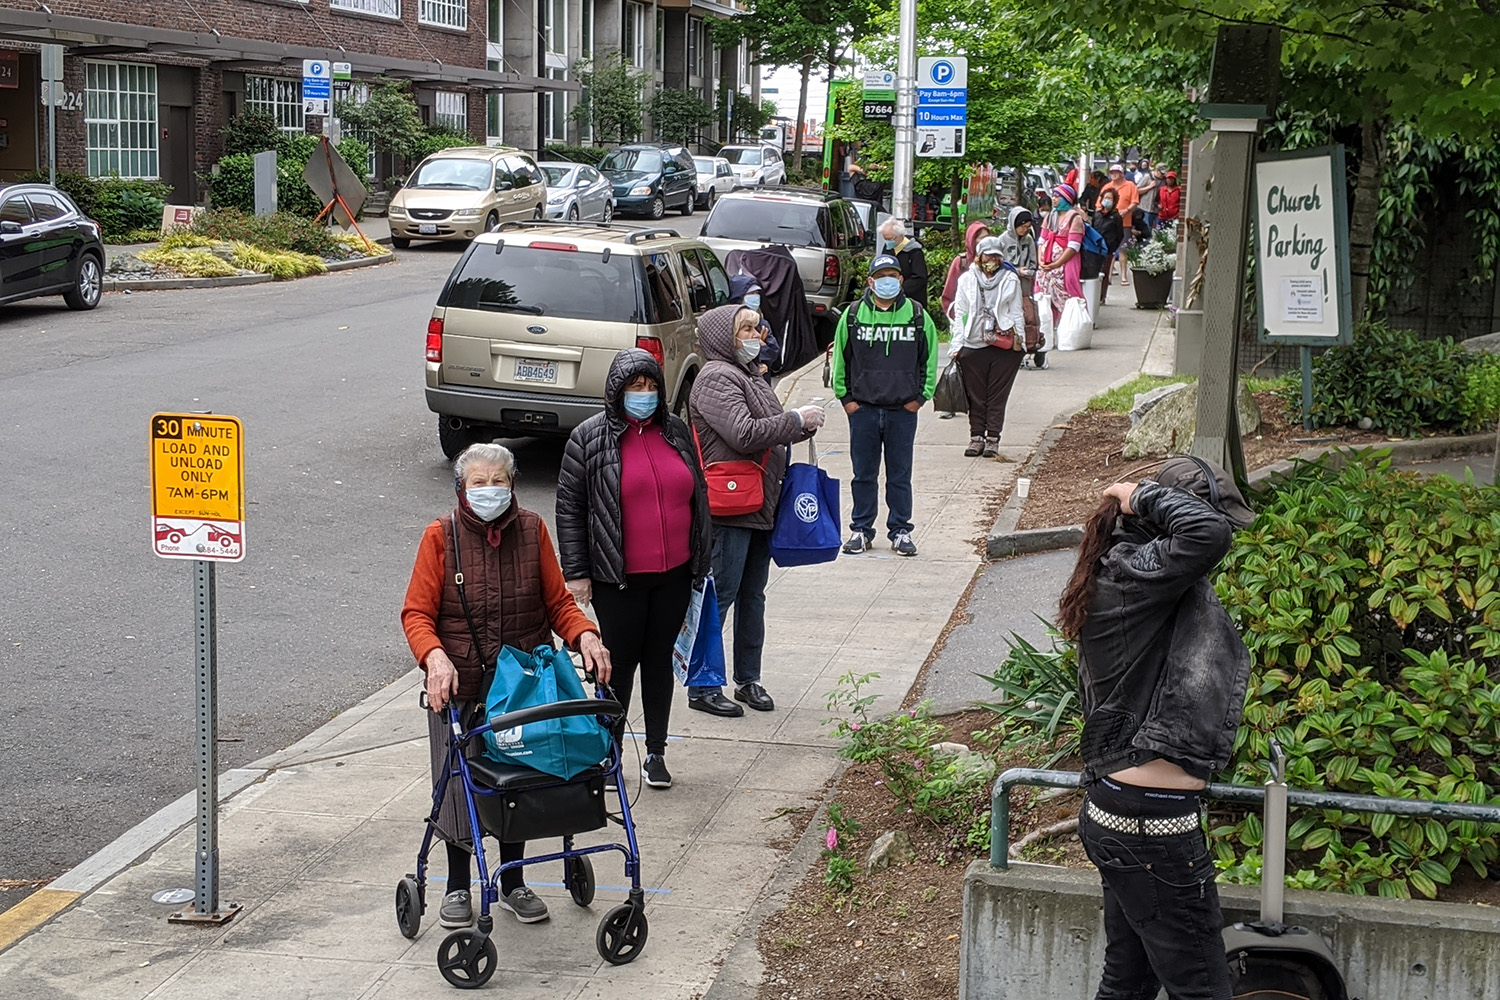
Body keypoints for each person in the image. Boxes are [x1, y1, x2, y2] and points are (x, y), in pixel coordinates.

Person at [1058, 457, 1255, 1000]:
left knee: (1127, 985)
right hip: (1151, 828)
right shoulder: (1136, 573)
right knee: (1204, 991)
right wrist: (1139, 492)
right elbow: (1208, 532)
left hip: (1122, 811)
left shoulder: (1122, 571)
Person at [402, 443, 612, 928]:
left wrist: (586, 636)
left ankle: (513, 881)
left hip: (520, 690)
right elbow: (416, 613)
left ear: (512, 485)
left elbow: (558, 602)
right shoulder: (441, 536)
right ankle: (457, 887)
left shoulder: (533, 530)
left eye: (499, 480)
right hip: (463, 691)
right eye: (479, 482)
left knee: (519, 784)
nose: (490, 490)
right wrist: (434, 657)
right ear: (461, 489)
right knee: (459, 788)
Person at [556, 349, 712, 790]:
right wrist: (577, 571)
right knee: (618, 666)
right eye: (634, 386)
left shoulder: (676, 431)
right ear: (616, 390)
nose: (643, 395)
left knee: (660, 661)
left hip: (675, 574)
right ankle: (609, 754)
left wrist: (703, 556)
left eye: (650, 387)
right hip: (617, 576)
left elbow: (697, 492)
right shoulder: (589, 438)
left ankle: (657, 752)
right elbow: (570, 507)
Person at [687, 304, 824, 716]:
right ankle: (702, 685)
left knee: (753, 598)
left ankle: (748, 679)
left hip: (761, 503)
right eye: (745, 328)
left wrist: (800, 427)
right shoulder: (716, 378)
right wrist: (795, 418)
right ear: (721, 337)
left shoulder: (751, 375)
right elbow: (744, 434)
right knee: (720, 597)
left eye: (757, 327)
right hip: (730, 508)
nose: (757, 334)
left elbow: (770, 430)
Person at [833, 255, 939, 557]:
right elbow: (841, 358)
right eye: (881, 276)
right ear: (870, 281)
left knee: (900, 475)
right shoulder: (853, 315)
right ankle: (861, 529)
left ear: (901, 280)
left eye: (893, 275)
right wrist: (845, 398)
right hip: (863, 409)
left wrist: (921, 398)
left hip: (902, 411)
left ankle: (901, 529)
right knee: (863, 474)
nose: (887, 281)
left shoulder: (917, 316)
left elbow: (929, 359)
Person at [949, 236, 1025, 458]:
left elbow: (1016, 311)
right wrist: (957, 345)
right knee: (976, 395)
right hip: (973, 344)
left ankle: (993, 438)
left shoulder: (1010, 279)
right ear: (979, 257)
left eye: (996, 256)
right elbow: (961, 314)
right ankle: (976, 437)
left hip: (1003, 346)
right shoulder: (966, 280)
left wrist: (1019, 342)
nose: (992, 260)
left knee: (997, 396)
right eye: (988, 255)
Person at [998, 207, 1045, 370]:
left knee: (1029, 316)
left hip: (1025, 286)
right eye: (1022, 227)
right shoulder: (1002, 240)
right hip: (1008, 286)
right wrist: (1016, 271)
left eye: (1027, 227)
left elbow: (1034, 262)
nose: (1025, 230)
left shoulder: (1029, 240)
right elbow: (1000, 264)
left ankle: (1032, 343)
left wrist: (1030, 271)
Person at [1036, 183, 1085, 329]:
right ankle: (1048, 326)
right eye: (1054, 196)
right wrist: (1041, 260)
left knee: (1067, 289)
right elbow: (1042, 240)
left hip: (1066, 263)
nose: (1054, 199)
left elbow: (1073, 246)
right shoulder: (1051, 216)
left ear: (1066, 198)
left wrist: (1057, 264)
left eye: (1057, 196)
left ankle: (1070, 325)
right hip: (1047, 264)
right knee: (1044, 293)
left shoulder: (1074, 218)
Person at [941, 221, 992, 321]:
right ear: (972, 240)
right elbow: (948, 295)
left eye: (988, 238)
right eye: (982, 238)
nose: (986, 242)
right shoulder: (961, 262)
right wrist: (957, 320)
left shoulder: (995, 261)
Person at [1100, 165, 1139, 286]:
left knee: (1123, 249)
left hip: (1124, 222)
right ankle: (1108, 276)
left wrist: (1126, 210)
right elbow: (1099, 204)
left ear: (1122, 174)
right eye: (1112, 172)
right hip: (1109, 223)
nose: (1113, 174)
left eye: (1116, 172)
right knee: (1109, 250)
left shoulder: (1130, 186)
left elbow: (1135, 202)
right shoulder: (1107, 187)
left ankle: (1123, 276)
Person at [880, 219, 929, 306]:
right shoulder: (888, 248)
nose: (887, 242)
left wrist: (899, 289)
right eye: (885, 239)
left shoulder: (915, 252)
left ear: (899, 236)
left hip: (912, 300)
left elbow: (919, 277)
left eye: (889, 239)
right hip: (889, 298)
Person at [1091, 192, 1125, 306]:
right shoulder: (1097, 215)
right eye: (1105, 198)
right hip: (1095, 249)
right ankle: (1094, 295)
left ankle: (1101, 296)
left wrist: (1112, 247)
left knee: (1104, 273)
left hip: (1108, 249)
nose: (1107, 200)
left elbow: (1120, 234)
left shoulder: (1116, 217)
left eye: (1110, 198)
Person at [1136, 162, 1159, 231]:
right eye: (1161, 173)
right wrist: (1149, 187)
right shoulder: (1148, 177)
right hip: (1145, 209)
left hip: (1157, 210)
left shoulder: (1164, 180)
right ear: (1157, 171)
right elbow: (1137, 191)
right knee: (1146, 228)